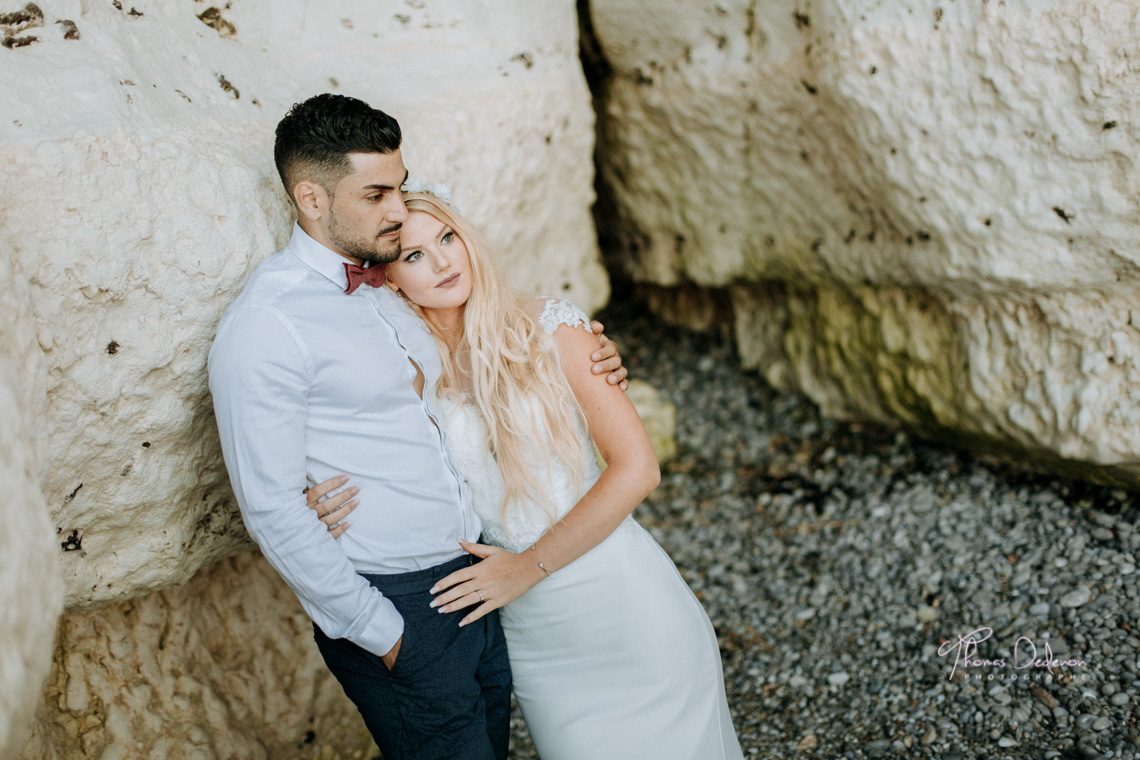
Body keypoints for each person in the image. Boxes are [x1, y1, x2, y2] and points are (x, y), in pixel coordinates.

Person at [207, 93, 627, 760]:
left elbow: (481, 354)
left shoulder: (390, 285)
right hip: (397, 608)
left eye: (399, 187)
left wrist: (586, 350)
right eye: (375, 194)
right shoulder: (268, 324)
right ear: (312, 199)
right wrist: (381, 631)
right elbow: (271, 506)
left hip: (477, 580)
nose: (398, 211)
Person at [307, 187, 745, 759]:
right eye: (413, 255)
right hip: (537, 639)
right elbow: (387, 467)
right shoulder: (408, 372)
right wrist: (320, 498)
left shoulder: (554, 328)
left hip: (628, 609)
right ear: (390, 278)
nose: (442, 262)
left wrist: (527, 567)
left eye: (447, 238)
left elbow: (638, 469)